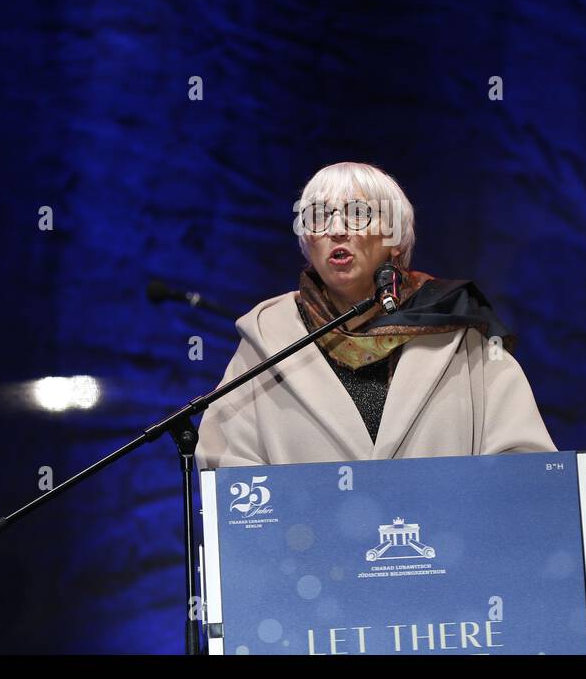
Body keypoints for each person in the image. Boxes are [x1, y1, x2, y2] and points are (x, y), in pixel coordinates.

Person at [196, 161, 556, 467]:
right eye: (319, 218)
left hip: (445, 545)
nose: (336, 230)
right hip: (310, 545)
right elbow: (227, 467)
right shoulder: (268, 338)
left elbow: (523, 461)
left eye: (357, 214)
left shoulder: (456, 324)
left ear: (396, 239)